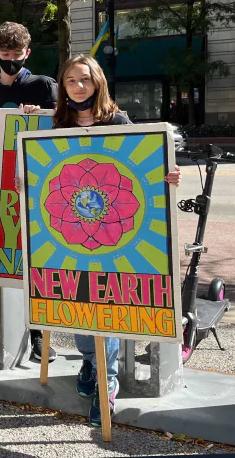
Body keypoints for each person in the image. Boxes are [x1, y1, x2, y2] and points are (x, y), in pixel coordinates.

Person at [22, 55, 182, 427]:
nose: (79, 87)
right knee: (77, 311)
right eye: (72, 81)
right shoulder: (55, 124)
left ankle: (105, 383)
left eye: (85, 80)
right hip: (66, 240)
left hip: (112, 238)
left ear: (98, 83)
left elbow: (146, 166)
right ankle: (90, 364)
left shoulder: (119, 122)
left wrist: (168, 176)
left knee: (104, 313)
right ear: (63, 86)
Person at [0, 22, 58, 364]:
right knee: (4, 258)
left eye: (17, 56)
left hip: (33, 186)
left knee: (36, 259)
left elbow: (57, 127)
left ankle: (39, 334)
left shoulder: (42, 87)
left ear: (27, 54)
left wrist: (41, 117)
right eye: (5, 55)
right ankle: (7, 328)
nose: (10, 61)